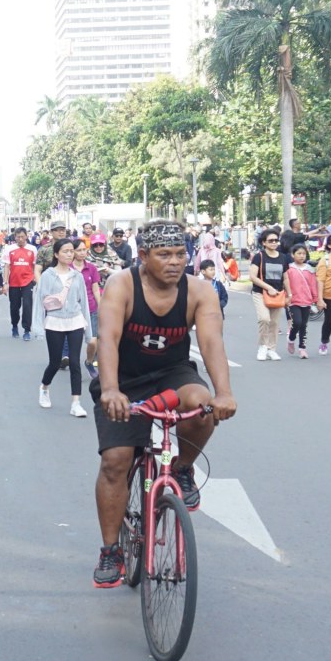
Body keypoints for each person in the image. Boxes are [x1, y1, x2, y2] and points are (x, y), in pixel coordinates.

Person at [89, 219, 237, 588]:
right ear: (142, 256)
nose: (174, 262)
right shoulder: (121, 284)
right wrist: (110, 390)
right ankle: (111, 550)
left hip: (172, 374)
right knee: (116, 461)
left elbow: (211, 343)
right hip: (123, 379)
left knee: (202, 406)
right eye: (164, 254)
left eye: (180, 254)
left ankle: (182, 469)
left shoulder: (200, 291)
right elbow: (106, 339)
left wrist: (224, 393)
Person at [32, 238, 92, 417]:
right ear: (56, 254)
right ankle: (44, 387)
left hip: (75, 320)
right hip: (54, 322)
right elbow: (39, 302)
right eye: (65, 251)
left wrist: (89, 333)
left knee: (75, 362)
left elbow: (84, 304)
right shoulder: (48, 276)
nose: (69, 254)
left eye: (71, 251)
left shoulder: (77, 276)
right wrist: (37, 327)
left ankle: (76, 403)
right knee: (55, 361)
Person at [249, 229, 292, 361]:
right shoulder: (259, 257)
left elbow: (285, 277)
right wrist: (268, 288)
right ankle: (262, 347)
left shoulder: (283, 257)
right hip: (260, 292)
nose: (274, 243)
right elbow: (252, 277)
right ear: (264, 243)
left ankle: (271, 349)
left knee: (274, 323)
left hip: (278, 294)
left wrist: (289, 294)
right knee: (264, 319)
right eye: (270, 241)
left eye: (276, 240)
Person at [71, 238, 101, 378]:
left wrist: (101, 307)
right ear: (73, 252)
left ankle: (89, 362)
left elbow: (95, 290)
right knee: (74, 344)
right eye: (79, 250)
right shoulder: (67, 269)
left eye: (84, 250)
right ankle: (74, 369)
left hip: (91, 309)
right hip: (72, 311)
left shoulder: (92, 268)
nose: (82, 253)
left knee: (93, 341)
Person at [3, 226, 36, 340]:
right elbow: (7, 266)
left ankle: (27, 330)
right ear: (15, 237)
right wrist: (5, 282)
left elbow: (35, 265)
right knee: (14, 306)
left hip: (28, 281)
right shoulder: (9, 249)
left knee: (27, 305)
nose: (21, 239)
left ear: (26, 236)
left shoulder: (32, 249)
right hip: (14, 282)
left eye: (22, 237)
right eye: (18, 237)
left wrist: (34, 278)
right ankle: (14, 326)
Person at [286, 244, 318, 359]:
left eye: (303, 254)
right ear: (292, 255)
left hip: (307, 300)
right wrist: (286, 296)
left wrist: (315, 298)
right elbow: (285, 284)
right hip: (293, 300)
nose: (301, 256)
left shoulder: (310, 270)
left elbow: (313, 285)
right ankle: (291, 339)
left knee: (304, 325)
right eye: (299, 253)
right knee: (297, 322)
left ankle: (302, 348)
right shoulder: (288, 268)